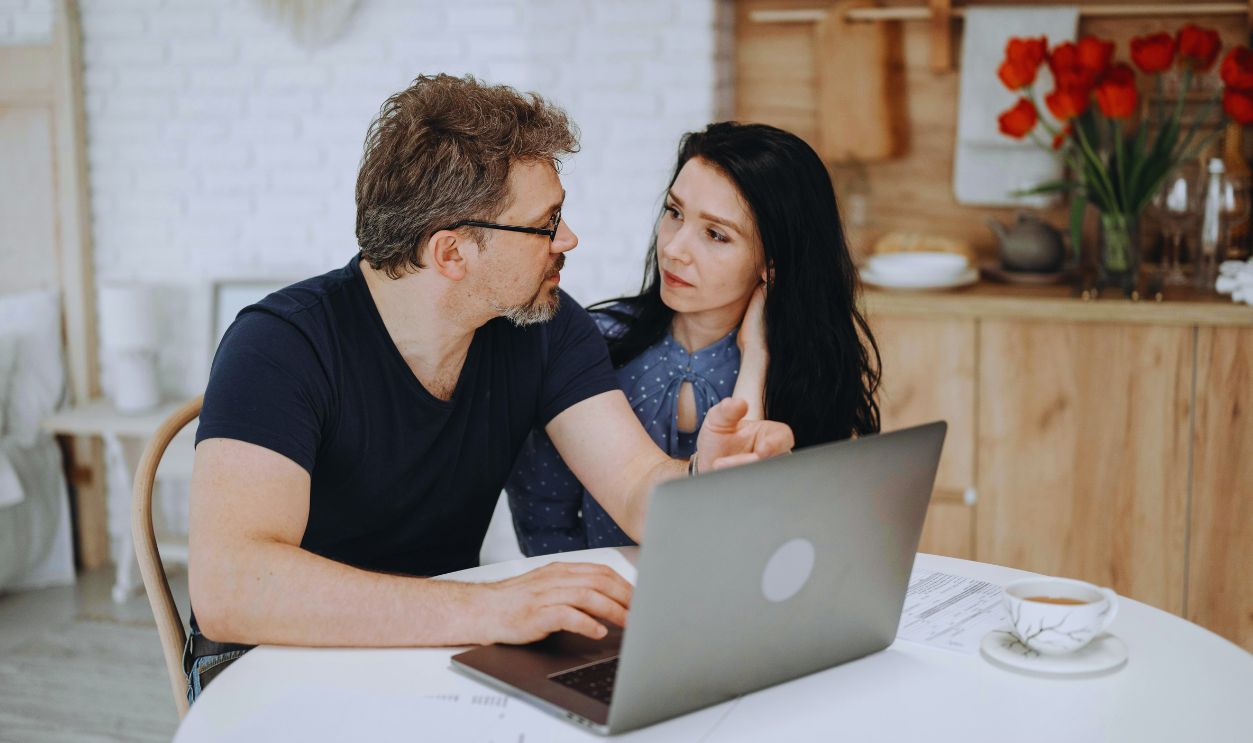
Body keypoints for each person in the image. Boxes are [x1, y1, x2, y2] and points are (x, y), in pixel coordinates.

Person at [184, 76, 794, 702]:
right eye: (546, 223)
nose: (569, 240)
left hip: (433, 652)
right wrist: (490, 607)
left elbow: (639, 490)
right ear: (451, 253)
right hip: (269, 663)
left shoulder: (547, 328)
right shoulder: (280, 344)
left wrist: (702, 479)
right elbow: (233, 588)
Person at [506, 122, 880, 555]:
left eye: (715, 234)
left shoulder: (804, 374)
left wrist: (756, 360)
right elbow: (544, 516)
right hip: (598, 611)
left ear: (771, 265)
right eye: (675, 213)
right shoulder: (593, 346)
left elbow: (775, 541)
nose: (674, 248)